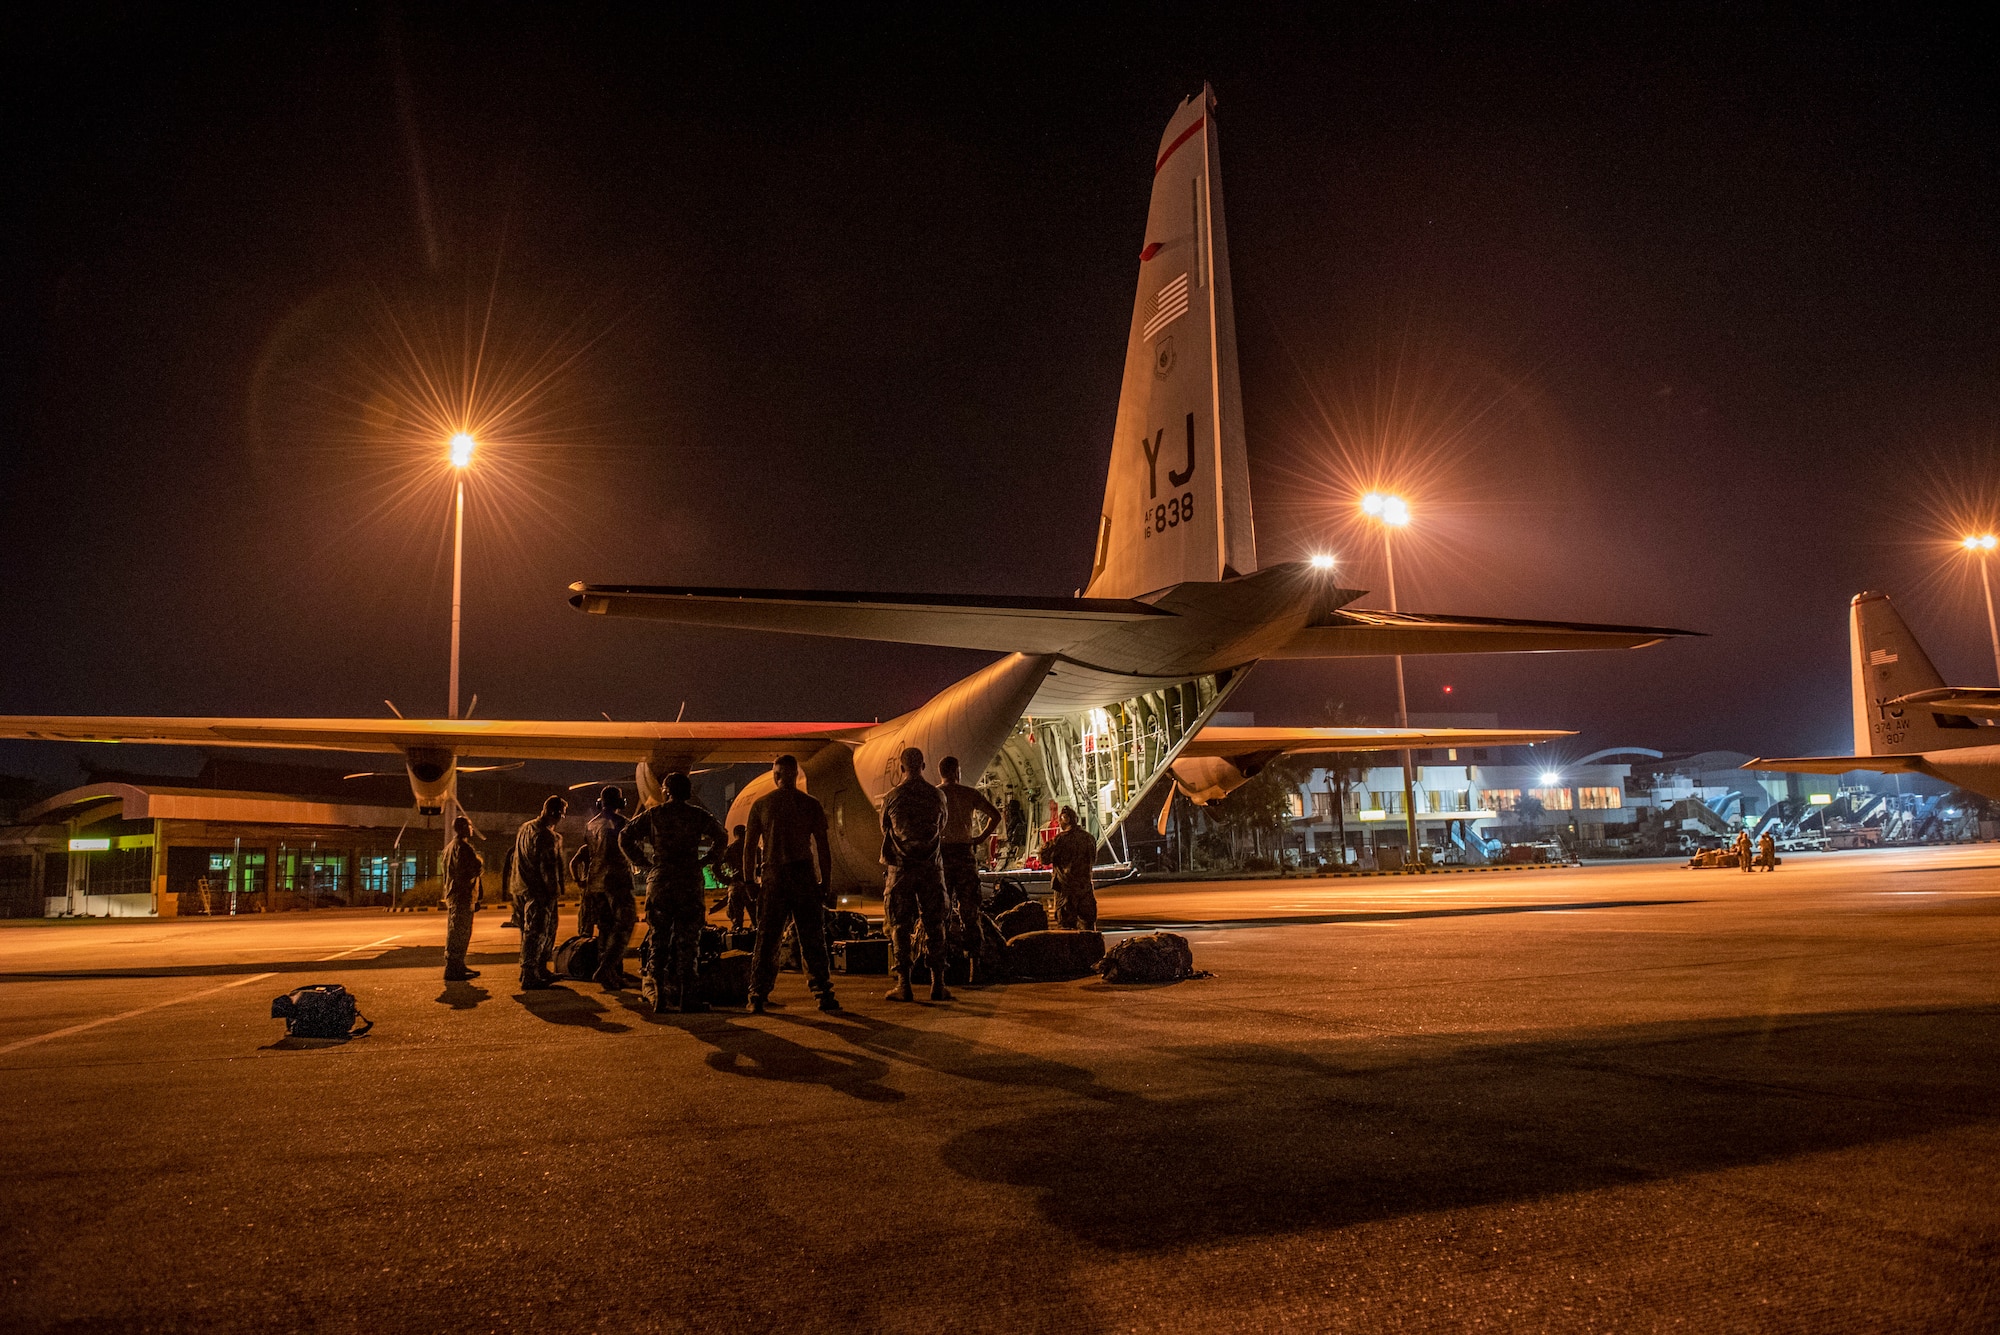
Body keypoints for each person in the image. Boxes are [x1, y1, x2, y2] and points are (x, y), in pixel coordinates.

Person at [744, 754, 841, 1014]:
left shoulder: (762, 805)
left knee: (767, 939)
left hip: (774, 876)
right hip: (803, 875)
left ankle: (757, 994)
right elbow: (823, 847)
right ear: (797, 775)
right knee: (812, 938)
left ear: (776, 776)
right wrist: (826, 883)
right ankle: (822, 992)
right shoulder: (810, 804)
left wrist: (748, 880)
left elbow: (750, 846)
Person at [881, 746, 951, 1003]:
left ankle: (904, 984)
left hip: (901, 869)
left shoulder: (892, 797)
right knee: (935, 924)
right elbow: (941, 825)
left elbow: (885, 828)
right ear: (923, 766)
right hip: (931, 868)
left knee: (900, 924)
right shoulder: (937, 796)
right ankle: (938, 983)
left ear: (902, 768)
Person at [569, 786, 638, 991]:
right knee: (625, 925)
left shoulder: (590, 825)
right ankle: (607, 968)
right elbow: (630, 850)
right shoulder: (622, 824)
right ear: (620, 803)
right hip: (617, 882)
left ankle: (610, 975)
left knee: (605, 929)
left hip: (596, 884)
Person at [936, 756, 1000, 975]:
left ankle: (942, 967)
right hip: (964, 853)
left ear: (940, 772)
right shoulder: (969, 794)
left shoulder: (936, 794)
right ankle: (975, 964)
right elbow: (995, 815)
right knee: (970, 911)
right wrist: (980, 838)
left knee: (942, 911)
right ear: (957, 772)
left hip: (942, 855)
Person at [513, 795, 570, 989]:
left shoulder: (525, 828)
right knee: (538, 932)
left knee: (529, 932)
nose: (561, 819)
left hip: (522, 889)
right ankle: (531, 973)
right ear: (555, 814)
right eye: (561, 815)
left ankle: (537, 970)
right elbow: (548, 868)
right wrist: (553, 892)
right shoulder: (546, 836)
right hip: (539, 892)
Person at [1042, 806, 1099, 931]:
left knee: (1066, 928)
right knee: (1089, 927)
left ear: (1065, 819)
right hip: (1085, 889)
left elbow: (1044, 859)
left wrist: (1046, 846)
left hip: (1066, 891)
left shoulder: (1060, 840)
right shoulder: (1089, 838)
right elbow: (1093, 859)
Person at [441, 814, 483, 981]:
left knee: (456, 931)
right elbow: (473, 869)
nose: (472, 829)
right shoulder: (463, 848)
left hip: (454, 896)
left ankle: (458, 965)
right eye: (470, 826)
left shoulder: (449, 848)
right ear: (464, 828)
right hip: (462, 896)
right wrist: (479, 863)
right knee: (460, 932)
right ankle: (453, 968)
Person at [719, 823, 756, 931]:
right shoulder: (753, 848)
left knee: (736, 920)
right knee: (756, 919)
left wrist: (726, 880)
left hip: (735, 886)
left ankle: (737, 940)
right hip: (750, 886)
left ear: (735, 834)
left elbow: (716, 866)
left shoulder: (730, 849)